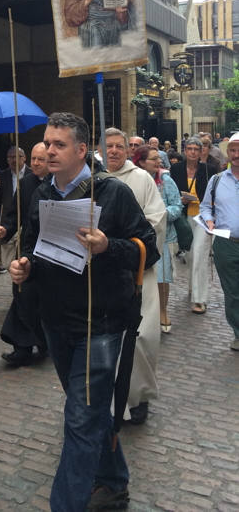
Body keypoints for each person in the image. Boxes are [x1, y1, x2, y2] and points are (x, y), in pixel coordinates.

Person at [10, 113, 158, 512]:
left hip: (101, 326)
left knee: (79, 420)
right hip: (55, 323)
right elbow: (36, 247)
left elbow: (148, 249)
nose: (49, 150)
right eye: (47, 142)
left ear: (80, 150)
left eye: (59, 144)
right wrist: (24, 264)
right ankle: (113, 484)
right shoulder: (42, 192)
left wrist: (108, 246)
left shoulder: (112, 193)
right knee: (89, 416)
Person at [105, 128, 166, 425]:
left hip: (138, 272)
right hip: (105, 274)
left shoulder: (140, 179)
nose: (114, 151)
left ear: (128, 151)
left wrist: (129, 249)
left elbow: (156, 220)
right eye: (109, 146)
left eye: (119, 146)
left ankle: (137, 397)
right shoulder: (93, 180)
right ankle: (110, 397)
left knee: (142, 336)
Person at [0, 143, 49, 366]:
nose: (35, 163)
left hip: (49, 252)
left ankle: (45, 342)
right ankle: (22, 348)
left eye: (40, 160)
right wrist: (5, 229)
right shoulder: (26, 184)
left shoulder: (58, 184)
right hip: (26, 248)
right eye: (34, 159)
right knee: (21, 293)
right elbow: (13, 214)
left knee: (44, 299)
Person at [133, 145, 182, 333]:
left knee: (161, 278)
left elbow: (177, 207)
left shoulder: (165, 180)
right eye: (153, 158)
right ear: (141, 162)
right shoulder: (133, 180)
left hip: (164, 236)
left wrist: (157, 215)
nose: (158, 161)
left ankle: (162, 311)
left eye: (158, 158)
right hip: (138, 238)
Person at [170, 137, 218, 314]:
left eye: (196, 149)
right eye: (189, 148)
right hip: (184, 217)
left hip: (204, 218)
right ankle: (192, 287)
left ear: (201, 152)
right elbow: (171, 191)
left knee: (200, 255)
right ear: (184, 150)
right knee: (189, 256)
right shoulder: (176, 169)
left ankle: (199, 299)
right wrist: (179, 200)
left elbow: (215, 195)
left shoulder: (209, 170)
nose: (192, 152)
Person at [200, 133, 239, 350]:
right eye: (232, 150)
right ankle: (238, 333)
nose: (236, 155)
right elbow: (206, 206)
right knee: (232, 291)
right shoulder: (217, 180)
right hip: (226, 243)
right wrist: (208, 221)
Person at [0, 146, 32, 270]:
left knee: (24, 261)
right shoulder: (2, 176)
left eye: (16, 157)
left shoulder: (32, 175)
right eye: (10, 158)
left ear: (24, 158)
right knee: (8, 262)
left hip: (26, 224)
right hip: (8, 224)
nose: (13, 160)